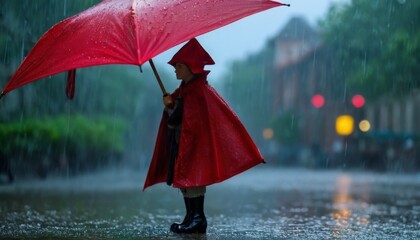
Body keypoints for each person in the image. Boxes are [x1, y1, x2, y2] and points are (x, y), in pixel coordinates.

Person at [143, 38, 264, 234]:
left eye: (179, 66)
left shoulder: (196, 92)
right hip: (183, 144)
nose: (175, 70)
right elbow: (180, 117)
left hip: (193, 147)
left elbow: (179, 119)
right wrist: (171, 105)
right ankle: (190, 216)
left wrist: (170, 108)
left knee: (194, 181)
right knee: (185, 182)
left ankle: (198, 218)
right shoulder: (185, 91)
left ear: (190, 68)